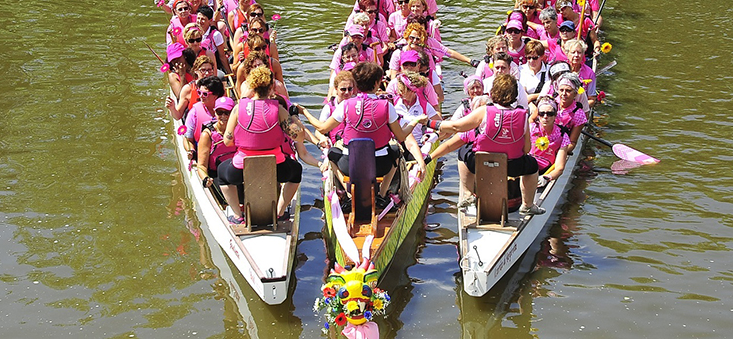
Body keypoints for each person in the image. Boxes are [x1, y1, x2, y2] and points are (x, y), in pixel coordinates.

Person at [295, 62, 427, 205]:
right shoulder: (387, 106)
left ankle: (348, 194)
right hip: (380, 165)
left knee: (331, 154)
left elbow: (321, 128)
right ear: (376, 83)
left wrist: (304, 112)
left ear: (356, 84)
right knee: (396, 152)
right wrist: (415, 121)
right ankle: (382, 195)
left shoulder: (345, 105)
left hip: (350, 165)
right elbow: (401, 136)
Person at [421, 74, 544, 215]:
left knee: (463, 151)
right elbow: (527, 149)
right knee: (532, 165)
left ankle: (467, 194)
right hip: (512, 166)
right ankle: (528, 205)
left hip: (481, 164)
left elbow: (455, 127)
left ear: (493, 92)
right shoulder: (523, 115)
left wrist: (429, 123)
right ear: (515, 94)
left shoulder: (484, 111)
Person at [219, 66, 303, 222]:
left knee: (222, 173)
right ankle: (280, 212)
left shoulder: (238, 108)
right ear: (271, 87)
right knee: (296, 171)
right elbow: (298, 136)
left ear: (251, 86)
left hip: (241, 166)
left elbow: (227, 141)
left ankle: (237, 215)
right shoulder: (279, 109)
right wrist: (294, 118)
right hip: (276, 165)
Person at [196, 96, 237, 195]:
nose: (223, 116)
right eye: (219, 112)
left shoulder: (239, 130)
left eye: (227, 113)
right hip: (217, 176)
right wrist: (205, 178)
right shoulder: (207, 135)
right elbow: (201, 165)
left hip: (237, 173)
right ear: (215, 112)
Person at [528, 97, 570, 187]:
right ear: (538, 115)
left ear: (555, 115)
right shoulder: (530, 128)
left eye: (549, 114)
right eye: (542, 113)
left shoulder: (563, 136)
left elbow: (559, 167)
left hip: (544, 171)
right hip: (526, 168)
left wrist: (547, 177)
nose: (545, 117)